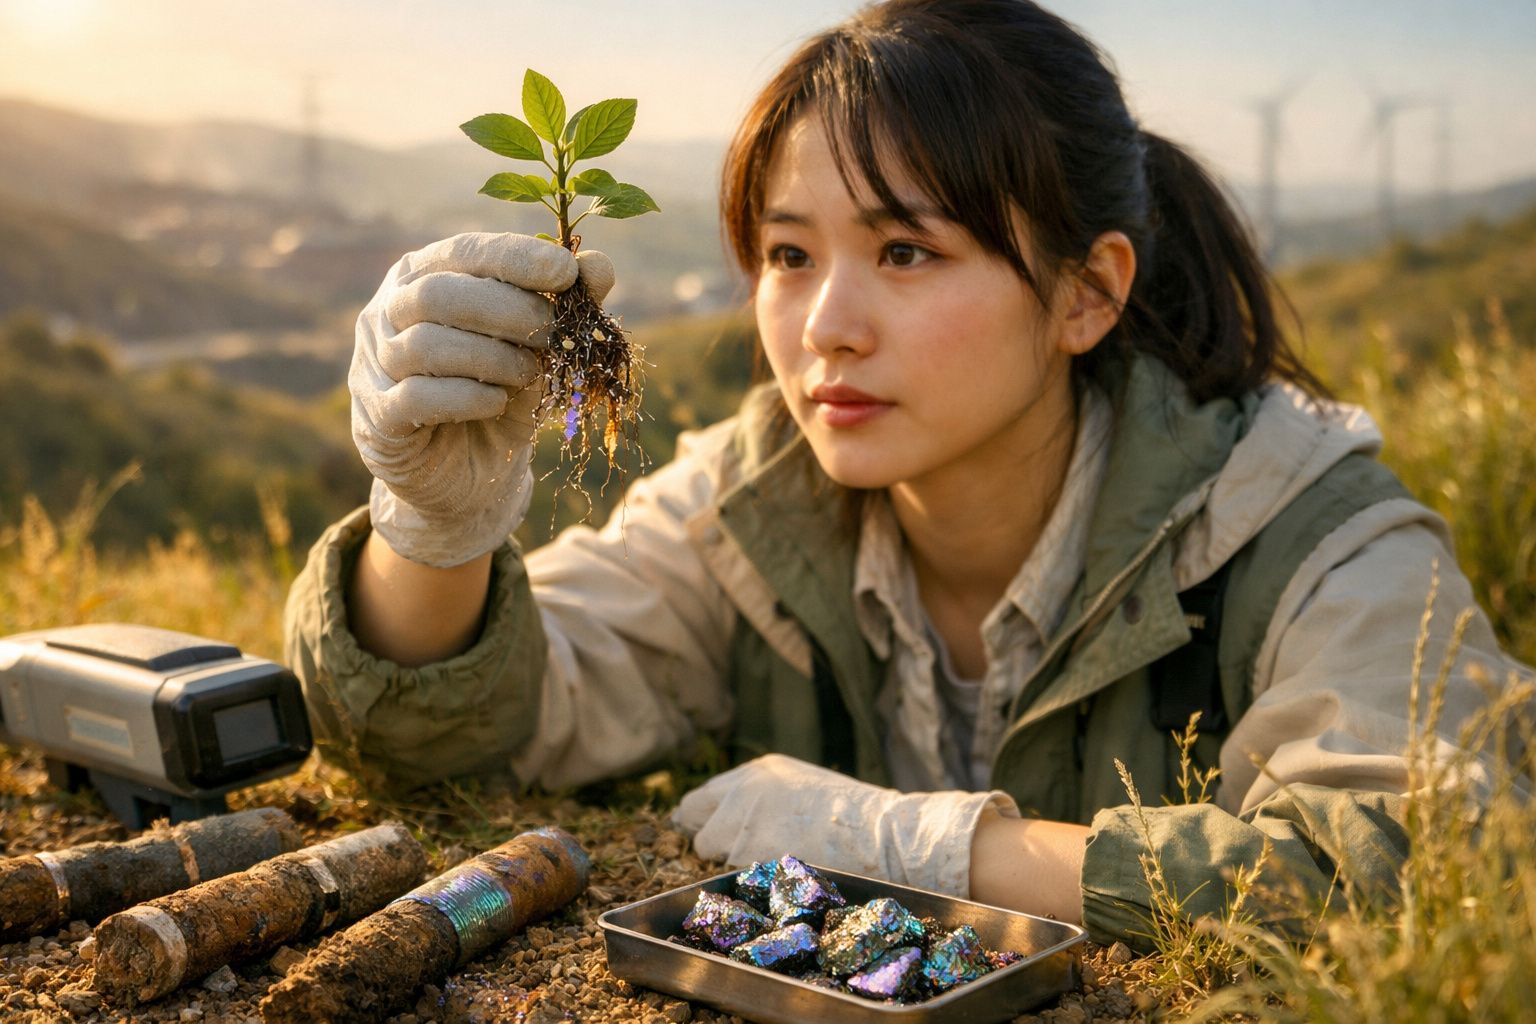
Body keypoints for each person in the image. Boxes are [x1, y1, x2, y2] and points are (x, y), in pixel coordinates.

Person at [285, 0, 1530, 946]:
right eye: (786, 250)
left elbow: (1425, 866)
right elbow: (472, 738)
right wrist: (433, 531)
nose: (826, 322)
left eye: (906, 251)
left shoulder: (1305, 526)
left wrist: (912, 844)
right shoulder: (754, 504)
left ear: (1087, 293)